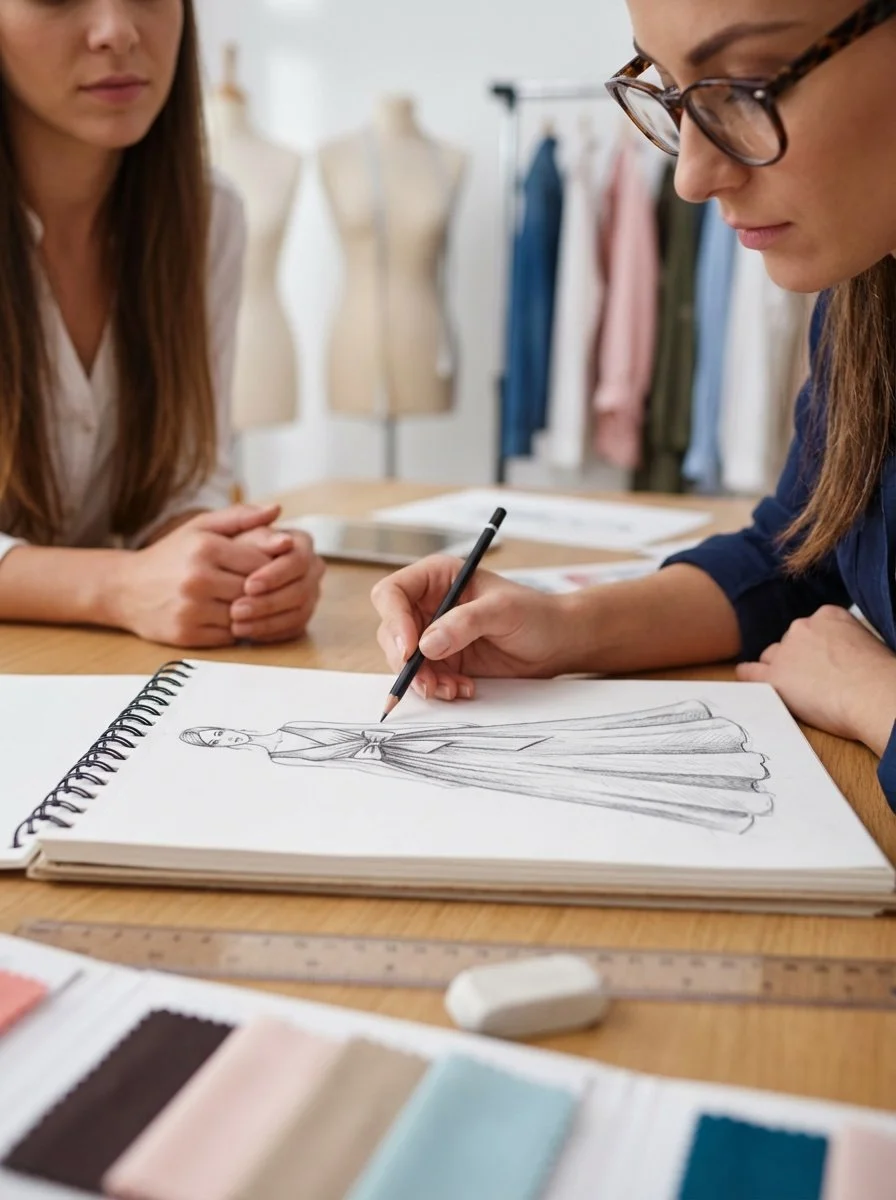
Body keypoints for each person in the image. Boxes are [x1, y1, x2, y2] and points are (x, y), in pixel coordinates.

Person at [372, 0, 896, 813]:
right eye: (676, 94)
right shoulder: (870, 299)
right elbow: (794, 555)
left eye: (748, 86)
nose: (691, 176)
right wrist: (565, 628)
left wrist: (878, 699)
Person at [0, 0, 324, 648]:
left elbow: (183, 478)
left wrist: (237, 560)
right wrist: (119, 586)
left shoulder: (208, 217)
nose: (117, 31)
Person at [179, 703, 772, 833]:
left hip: (422, 740)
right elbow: (347, 754)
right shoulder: (277, 753)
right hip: (410, 761)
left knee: (544, 737)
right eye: (213, 738)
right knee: (545, 770)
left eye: (213, 728)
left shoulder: (287, 731)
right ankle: (717, 781)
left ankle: (705, 753)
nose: (221, 732)